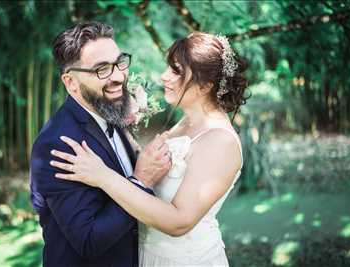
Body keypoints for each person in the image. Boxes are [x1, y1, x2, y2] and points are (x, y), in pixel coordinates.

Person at [50, 32, 248, 266]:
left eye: (176, 71)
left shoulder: (220, 142)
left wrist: (103, 176)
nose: (164, 76)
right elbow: (152, 163)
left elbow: (179, 222)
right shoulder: (187, 122)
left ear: (205, 85)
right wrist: (121, 127)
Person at [29, 21, 172, 267]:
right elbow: (88, 240)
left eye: (119, 63)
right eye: (101, 69)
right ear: (71, 82)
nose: (118, 77)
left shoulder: (110, 111)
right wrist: (142, 182)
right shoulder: (59, 143)